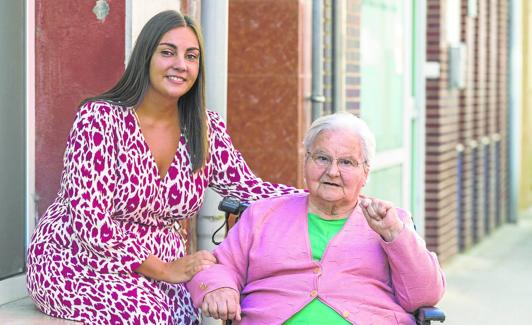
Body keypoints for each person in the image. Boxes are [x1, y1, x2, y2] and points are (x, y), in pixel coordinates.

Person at [26, 10, 299, 325]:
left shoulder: (205, 127)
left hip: (162, 269)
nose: (181, 64)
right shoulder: (100, 119)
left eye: (191, 56)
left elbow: (252, 189)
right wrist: (165, 270)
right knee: (146, 315)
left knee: (182, 316)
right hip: (77, 258)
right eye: (168, 52)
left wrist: (327, 196)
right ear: (146, 57)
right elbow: (90, 223)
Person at [187, 112, 446, 324]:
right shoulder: (262, 215)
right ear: (306, 162)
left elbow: (425, 294)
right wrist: (219, 287)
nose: (332, 171)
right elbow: (217, 266)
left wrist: (394, 235)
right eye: (322, 158)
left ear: (365, 173)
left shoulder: (391, 221)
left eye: (346, 162)